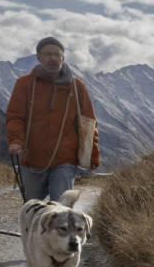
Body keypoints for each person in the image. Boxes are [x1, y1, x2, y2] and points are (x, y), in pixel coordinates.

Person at [6, 37, 100, 202]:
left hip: (65, 160)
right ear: (39, 57)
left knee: (61, 209)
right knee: (33, 208)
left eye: (57, 55)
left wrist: (92, 155)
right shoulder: (25, 84)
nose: (53, 59)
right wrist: (16, 141)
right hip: (31, 159)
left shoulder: (77, 87)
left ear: (63, 58)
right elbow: (15, 117)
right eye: (48, 54)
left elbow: (88, 123)